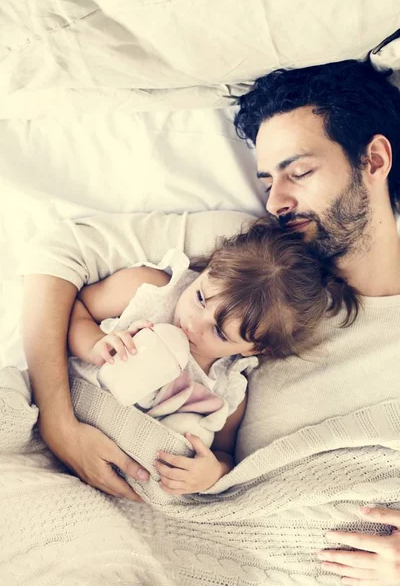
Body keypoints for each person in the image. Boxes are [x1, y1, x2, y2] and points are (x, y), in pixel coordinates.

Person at [20, 58, 400, 583]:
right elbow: (59, 254)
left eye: (300, 171)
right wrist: (60, 422)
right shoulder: (250, 254)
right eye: (267, 179)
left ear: (374, 159)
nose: (276, 200)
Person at [67, 220, 357, 494]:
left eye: (219, 332)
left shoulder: (225, 387)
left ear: (253, 349)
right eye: (200, 298)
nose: (193, 323)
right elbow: (74, 309)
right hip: (69, 408)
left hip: (124, 465)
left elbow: (223, 453)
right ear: (211, 266)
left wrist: (210, 473)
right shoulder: (152, 292)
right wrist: (94, 344)